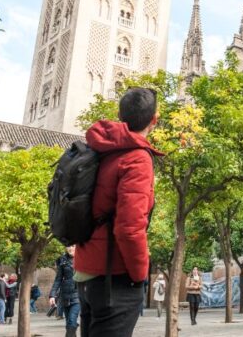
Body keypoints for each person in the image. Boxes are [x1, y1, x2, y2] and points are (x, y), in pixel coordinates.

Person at [75, 88, 160, 337]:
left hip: (87, 271)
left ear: (120, 116)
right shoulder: (136, 158)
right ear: (154, 119)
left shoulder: (102, 150)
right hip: (115, 276)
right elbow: (129, 227)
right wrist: (139, 273)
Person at [50, 246, 79, 337]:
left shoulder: (83, 258)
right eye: (68, 246)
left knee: (71, 320)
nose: (70, 248)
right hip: (65, 296)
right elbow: (58, 279)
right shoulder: (63, 260)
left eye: (73, 246)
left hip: (78, 296)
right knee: (68, 323)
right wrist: (52, 295)